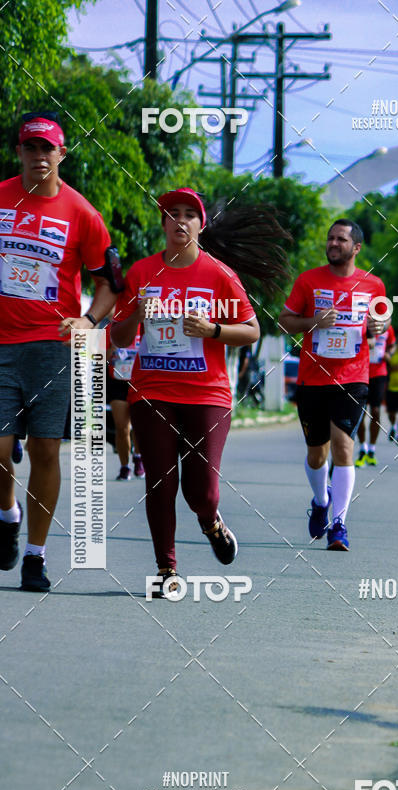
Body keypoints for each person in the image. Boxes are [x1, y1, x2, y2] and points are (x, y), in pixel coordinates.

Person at [111, 187, 288, 596]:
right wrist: (136, 311)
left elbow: (252, 330)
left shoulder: (218, 275)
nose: (180, 220)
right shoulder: (141, 273)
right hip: (152, 389)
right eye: (172, 213)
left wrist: (213, 330)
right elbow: (119, 337)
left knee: (201, 491)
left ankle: (211, 522)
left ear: (200, 225)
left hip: (207, 394)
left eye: (189, 214)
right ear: (163, 223)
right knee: (160, 482)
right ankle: (166, 569)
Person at [0, 112, 119, 591]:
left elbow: (110, 285)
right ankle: (7, 514)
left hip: (52, 346)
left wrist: (90, 320)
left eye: (47, 149)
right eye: (31, 148)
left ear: (61, 154)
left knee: (48, 449)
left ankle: (35, 555)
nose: (39, 157)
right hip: (2, 343)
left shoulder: (82, 214)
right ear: (19, 153)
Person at [278, 219, 388, 551]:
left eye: (341, 239)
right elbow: (284, 323)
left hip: (352, 377)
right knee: (316, 454)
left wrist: (378, 327)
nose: (333, 243)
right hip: (312, 378)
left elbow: (379, 322)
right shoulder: (308, 281)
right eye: (330, 238)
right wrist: (313, 321)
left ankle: (339, 524)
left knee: (343, 447)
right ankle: (321, 499)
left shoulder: (373, 285)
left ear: (356, 248)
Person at [355, 323, 395, 467]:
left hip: (379, 373)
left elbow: (392, 345)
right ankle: (362, 447)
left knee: (376, 410)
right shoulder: (362, 323)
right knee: (361, 412)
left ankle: (372, 448)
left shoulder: (388, 327)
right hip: (361, 372)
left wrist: (388, 355)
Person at [107, 336, 144, 480]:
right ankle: (124, 466)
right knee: (122, 428)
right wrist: (112, 350)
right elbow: (97, 357)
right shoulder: (110, 329)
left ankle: (138, 457)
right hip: (117, 383)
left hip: (140, 382)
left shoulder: (146, 324)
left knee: (139, 426)